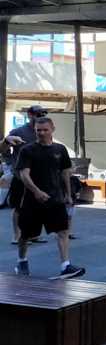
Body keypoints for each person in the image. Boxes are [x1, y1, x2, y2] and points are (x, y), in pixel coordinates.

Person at [14, 117, 85, 278]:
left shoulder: (60, 150)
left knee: (63, 231)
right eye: (38, 130)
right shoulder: (28, 150)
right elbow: (24, 175)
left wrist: (68, 194)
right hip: (33, 200)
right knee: (26, 235)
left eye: (45, 130)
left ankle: (65, 266)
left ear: (53, 129)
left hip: (55, 199)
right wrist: (37, 191)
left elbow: (65, 172)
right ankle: (22, 260)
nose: (42, 133)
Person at [5, 105, 48, 245]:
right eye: (38, 114)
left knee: (37, 205)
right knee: (19, 207)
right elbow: (4, 150)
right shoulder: (18, 131)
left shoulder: (43, 132)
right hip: (21, 176)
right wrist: (12, 164)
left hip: (39, 175)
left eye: (43, 114)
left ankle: (33, 234)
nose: (41, 116)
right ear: (30, 115)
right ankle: (17, 236)